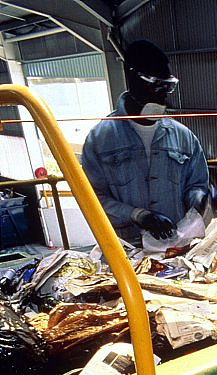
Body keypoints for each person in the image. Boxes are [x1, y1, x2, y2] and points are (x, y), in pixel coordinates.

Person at [81, 39, 209, 245]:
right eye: (156, 85)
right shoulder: (100, 140)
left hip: (175, 245)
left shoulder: (183, 137)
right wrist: (139, 216)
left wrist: (200, 198)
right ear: (133, 79)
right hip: (125, 249)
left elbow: (196, 184)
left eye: (167, 87)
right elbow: (92, 199)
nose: (163, 95)